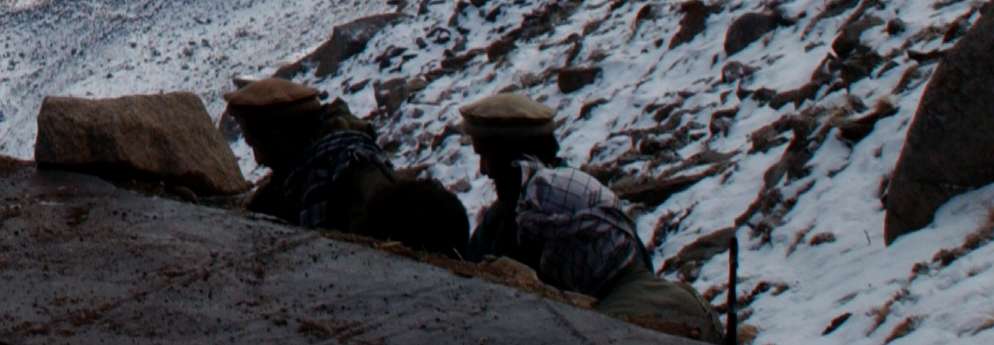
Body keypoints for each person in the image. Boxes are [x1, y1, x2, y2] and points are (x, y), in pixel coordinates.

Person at [459, 91, 716, 339]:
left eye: (486, 156)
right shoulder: (500, 223)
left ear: (516, 157)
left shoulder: (581, 216)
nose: (483, 170)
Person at [229, 78, 469, 256]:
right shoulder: (296, 181)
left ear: (278, 139)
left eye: (254, 146)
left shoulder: (355, 176)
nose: (258, 160)